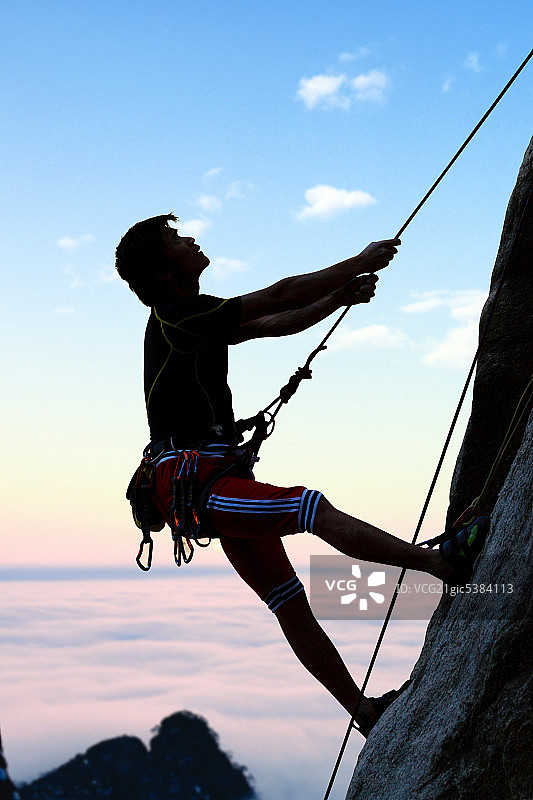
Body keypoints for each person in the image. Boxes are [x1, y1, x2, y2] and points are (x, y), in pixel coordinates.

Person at [115, 213, 487, 736]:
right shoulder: (178, 314)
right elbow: (278, 297)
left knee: (288, 602)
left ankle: (364, 713)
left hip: (204, 485)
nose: (191, 239)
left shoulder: (189, 319)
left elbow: (273, 322)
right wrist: (354, 265)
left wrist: (336, 299)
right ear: (162, 271)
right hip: (202, 486)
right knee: (310, 508)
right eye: (176, 240)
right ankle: (438, 564)